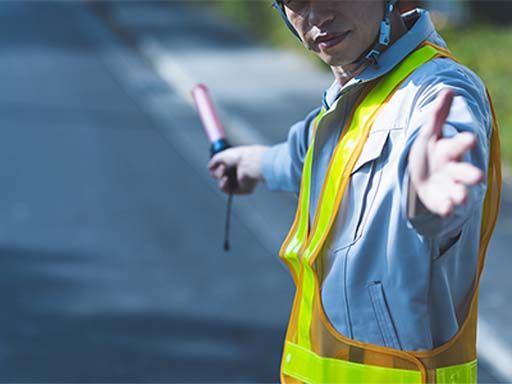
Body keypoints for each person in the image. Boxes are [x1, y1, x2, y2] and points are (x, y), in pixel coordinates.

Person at [208, 1, 501, 382]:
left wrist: (431, 199)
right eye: (296, 2)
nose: (317, 17)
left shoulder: (439, 89)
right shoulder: (353, 93)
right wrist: (251, 163)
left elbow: (448, 159)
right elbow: (304, 155)